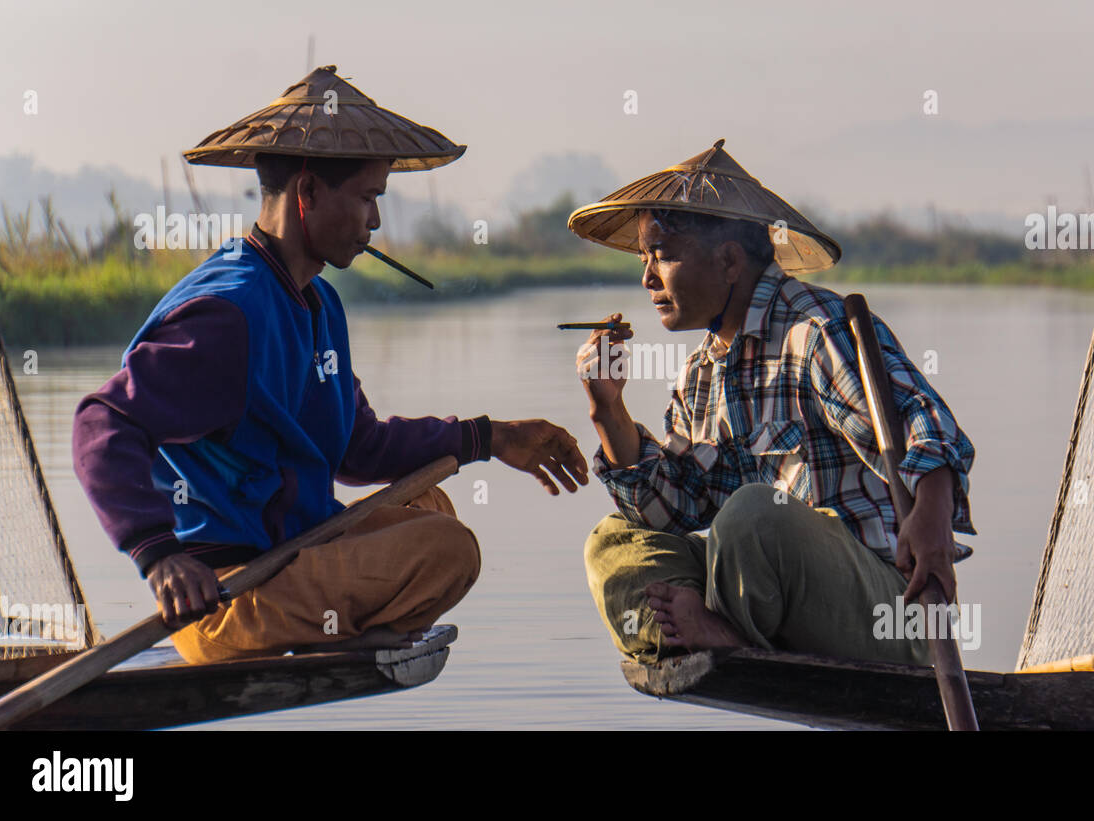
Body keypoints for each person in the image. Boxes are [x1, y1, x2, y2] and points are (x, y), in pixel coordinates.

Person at [72, 66, 587, 664]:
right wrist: (159, 555)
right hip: (231, 597)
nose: (375, 222)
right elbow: (101, 423)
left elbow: (356, 447)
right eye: (368, 199)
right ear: (308, 193)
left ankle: (346, 628)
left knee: (429, 507)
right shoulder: (228, 316)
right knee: (447, 550)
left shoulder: (319, 302)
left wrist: (491, 438)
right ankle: (336, 635)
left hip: (292, 555)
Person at [567, 139, 975, 665]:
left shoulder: (815, 330)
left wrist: (934, 519)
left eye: (662, 255)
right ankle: (702, 633)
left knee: (756, 513)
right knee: (613, 542)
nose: (647, 278)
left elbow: (927, 421)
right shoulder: (701, 372)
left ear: (730, 261)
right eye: (645, 258)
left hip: (890, 614)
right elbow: (674, 509)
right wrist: (608, 411)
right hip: (780, 608)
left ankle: (726, 635)